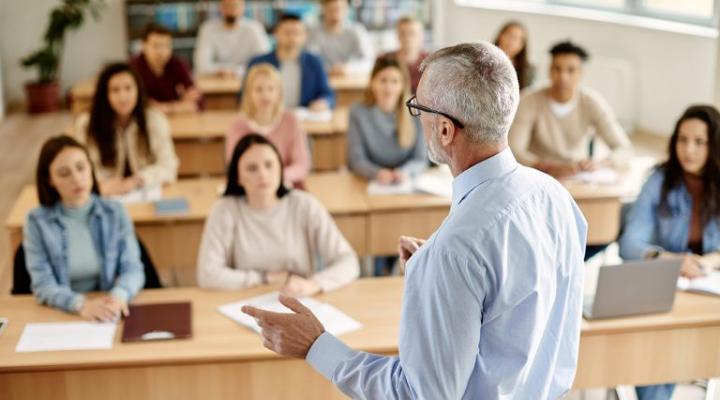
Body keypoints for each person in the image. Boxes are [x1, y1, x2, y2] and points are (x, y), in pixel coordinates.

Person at [242, 42, 587, 399]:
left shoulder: (456, 250)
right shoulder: (555, 195)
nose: (416, 117)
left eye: (418, 108)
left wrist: (316, 345)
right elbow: (519, 304)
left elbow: (418, 394)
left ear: (445, 131)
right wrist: (444, 274)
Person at [619, 105, 720, 400]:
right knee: (657, 361)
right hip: (666, 289)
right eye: (682, 140)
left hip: (708, 290)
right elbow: (630, 245)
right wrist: (676, 262)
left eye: (699, 142)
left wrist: (708, 262)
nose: (688, 149)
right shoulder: (659, 180)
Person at [197, 134, 359, 295]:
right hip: (245, 301)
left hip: (299, 300)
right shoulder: (224, 210)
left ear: (280, 168)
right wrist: (264, 278)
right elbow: (207, 275)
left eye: (269, 165)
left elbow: (348, 262)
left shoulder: (304, 204)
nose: (263, 174)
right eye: (252, 168)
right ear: (238, 177)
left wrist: (313, 284)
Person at [23, 135, 145, 320]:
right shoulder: (36, 222)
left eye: (81, 167)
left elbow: (133, 268)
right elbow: (43, 285)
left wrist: (118, 296)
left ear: (91, 168)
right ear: (50, 180)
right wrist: (80, 305)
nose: (77, 178)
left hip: (109, 309)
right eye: (64, 173)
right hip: (64, 311)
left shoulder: (115, 212)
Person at [509, 40, 633, 178]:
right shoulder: (529, 100)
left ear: (581, 73)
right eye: (557, 69)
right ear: (549, 70)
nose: (563, 77)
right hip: (538, 174)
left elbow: (624, 148)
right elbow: (514, 149)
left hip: (577, 175)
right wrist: (547, 167)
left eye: (571, 70)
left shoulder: (592, 103)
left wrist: (599, 164)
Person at [74, 63, 179, 196]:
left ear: (138, 90)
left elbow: (169, 166)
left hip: (144, 192)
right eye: (115, 90)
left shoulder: (155, 120)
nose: (123, 97)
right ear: (105, 94)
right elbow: (81, 166)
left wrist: (137, 180)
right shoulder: (87, 124)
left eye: (128, 88)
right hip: (104, 194)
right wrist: (102, 184)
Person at [226, 63, 311, 186]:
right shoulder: (237, 126)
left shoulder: (291, 122)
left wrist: (275, 177)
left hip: (286, 185)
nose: (265, 95)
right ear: (249, 94)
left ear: (279, 93)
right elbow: (234, 166)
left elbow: (302, 165)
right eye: (259, 89)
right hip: (250, 188)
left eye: (271, 89)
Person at [347, 56, 427, 184]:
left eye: (395, 81)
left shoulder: (416, 109)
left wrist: (406, 172)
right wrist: (376, 173)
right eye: (383, 80)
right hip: (370, 181)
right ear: (372, 83)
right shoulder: (358, 112)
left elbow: (421, 159)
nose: (389, 88)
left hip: (406, 181)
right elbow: (356, 160)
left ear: (403, 85)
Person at [247, 14, 334, 111]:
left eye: (297, 33)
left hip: (304, 118)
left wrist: (323, 102)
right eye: (287, 32)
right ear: (276, 33)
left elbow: (327, 94)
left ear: (305, 36)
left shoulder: (314, 62)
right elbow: (245, 96)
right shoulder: (258, 63)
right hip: (267, 117)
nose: (292, 37)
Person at [130, 23, 202, 113]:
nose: (161, 52)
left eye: (166, 46)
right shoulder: (133, 68)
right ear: (143, 46)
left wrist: (166, 108)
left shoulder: (177, 64)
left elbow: (198, 102)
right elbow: (137, 105)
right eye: (155, 46)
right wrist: (180, 105)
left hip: (177, 121)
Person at [193, 0, 270, 77]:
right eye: (227, 5)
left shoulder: (255, 29)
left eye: (235, 5)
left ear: (243, 7)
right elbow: (201, 65)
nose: (231, 10)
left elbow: (263, 62)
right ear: (220, 7)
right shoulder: (207, 29)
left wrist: (236, 71)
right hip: (215, 82)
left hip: (248, 81)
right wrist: (222, 71)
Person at [307, 0, 374, 76]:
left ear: (347, 9)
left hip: (351, 80)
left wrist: (347, 69)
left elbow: (369, 61)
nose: (335, 13)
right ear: (323, 9)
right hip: (322, 78)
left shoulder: (357, 31)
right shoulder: (313, 33)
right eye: (331, 9)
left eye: (340, 8)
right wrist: (329, 69)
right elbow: (309, 61)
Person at [381, 16, 428, 94]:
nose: (407, 38)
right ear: (397, 35)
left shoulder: (430, 63)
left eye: (412, 33)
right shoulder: (384, 60)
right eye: (403, 33)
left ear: (421, 36)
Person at [493, 21, 535, 90]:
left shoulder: (529, 71)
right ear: (500, 36)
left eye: (516, 39)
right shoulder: (480, 59)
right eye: (509, 36)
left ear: (522, 46)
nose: (511, 42)